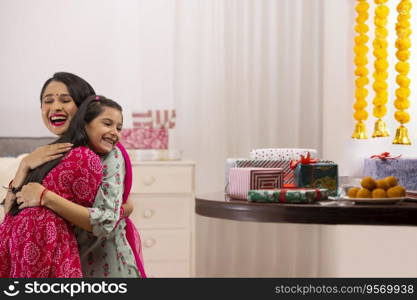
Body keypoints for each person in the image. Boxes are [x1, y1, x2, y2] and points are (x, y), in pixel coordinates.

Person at [2, 72, 145, 278]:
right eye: (47, 101)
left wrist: (46, 198)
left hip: (101, 263)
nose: (55, 107)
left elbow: (111, 214)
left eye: (65, 100)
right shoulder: (49, 153)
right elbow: (11, 214)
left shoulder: (105, 152)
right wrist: (24, 166)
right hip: (63, 262)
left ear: (84, 109)